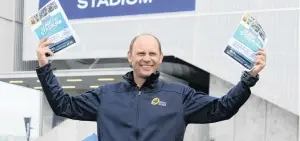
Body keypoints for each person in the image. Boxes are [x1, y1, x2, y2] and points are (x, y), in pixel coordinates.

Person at [36, 34, 266, 141]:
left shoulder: (179, 95)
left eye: (152, 53)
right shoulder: (105, 95)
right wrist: (45, 67)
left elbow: (222, 109)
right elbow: (63, 105)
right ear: (130, 57)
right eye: (140, 53)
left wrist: (250, 77)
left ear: (160, 58)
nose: (146, 58)